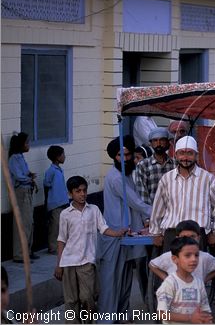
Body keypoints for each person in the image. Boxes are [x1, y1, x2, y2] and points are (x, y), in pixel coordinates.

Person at [54, 176, 126, 323]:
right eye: (77, 191)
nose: (82, 194)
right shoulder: (65, 214)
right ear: (70, 194)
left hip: (87, 261)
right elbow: (61, 239)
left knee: (88, 298)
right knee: (71, 300)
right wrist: (59, 265)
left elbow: (103, 228)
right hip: (68, 262)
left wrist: (118, 233)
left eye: (84, 190)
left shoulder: (93, 210)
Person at [97, 135, 152, 321]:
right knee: (111, 281)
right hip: (114, 236)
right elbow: (135, 201)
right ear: (114, 157)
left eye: (128, 154)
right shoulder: (115, 178)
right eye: (121, 155)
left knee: (127, 278)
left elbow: (136, 200)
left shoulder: (127, 174)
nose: (126, 158)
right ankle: (107, 320)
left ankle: (121, 316)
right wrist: (158, 213)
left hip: (128, 234)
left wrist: (146, 218)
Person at [150, 135, 215, 252]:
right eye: (181, 153)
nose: (185, 157)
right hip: (172, 234)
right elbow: (158, 209)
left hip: (197, 235)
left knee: (196, 268)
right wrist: (156, 233)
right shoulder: (167, 179)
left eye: (190, 153)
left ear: (196, 155)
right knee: (171, 269)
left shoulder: (207, 179)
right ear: (175, 155)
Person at [156, 237, 213, 324]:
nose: (193, 259)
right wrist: (189, 318)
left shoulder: (199, 283)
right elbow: (161, 314)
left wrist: (207, 320)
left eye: (196, 255)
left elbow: (204, 309)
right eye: (187, 255)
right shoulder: (170, 283)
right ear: (175, 259)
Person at [149, 220, 215, 283]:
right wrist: (167, 279)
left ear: (199, 238)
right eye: (184, 237)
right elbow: (152, 264)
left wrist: (204, 280)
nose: (188, 240)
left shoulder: (204, 256)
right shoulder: (170, 256)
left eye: (192, 236)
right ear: (177, 238)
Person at [8, 132, 38, 263]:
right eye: (26, 143)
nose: (28, 145)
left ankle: (28, 250)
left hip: (27, 191)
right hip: (21, 192)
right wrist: (28, 178)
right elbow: (19, 176)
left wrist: (30, 175)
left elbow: (23, 173)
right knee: (23, 223)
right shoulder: (14, 158)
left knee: (30, 222)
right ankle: (20, 254)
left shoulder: (20, 157)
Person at [135, 127, 175, 206]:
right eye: (155, 140)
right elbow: (143, 194)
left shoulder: (175, 164)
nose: (158, 143)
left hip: (173, 212)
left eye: (162, 140)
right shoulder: (143, 165)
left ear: (167, 142)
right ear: (150, 143)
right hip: (152, 212)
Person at [43, 145, 69, 255]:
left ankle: (61, 245)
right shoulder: (51, 171)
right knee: (54, 226)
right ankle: (52, 247)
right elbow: (46, 184)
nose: (64, 156)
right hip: (55, 203)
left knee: (62, 226)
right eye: (63, 154)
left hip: (62, 201)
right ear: (57, 157)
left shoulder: (59, 170)